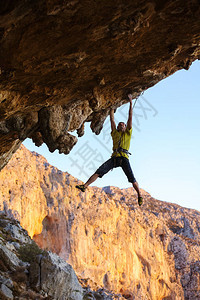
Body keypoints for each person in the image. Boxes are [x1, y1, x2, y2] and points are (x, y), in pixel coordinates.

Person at [76, 94, 143, 206]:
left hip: (124, 158)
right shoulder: (114, 133)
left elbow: (130, 116)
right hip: (115, 158)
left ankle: (140, 195)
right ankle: (85, 186)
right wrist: (111, 107)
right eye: (119, 125)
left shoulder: (128, 133)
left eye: (123, 125)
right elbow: (112, 119)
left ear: (125, 127)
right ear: (117, 127)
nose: (121, 125)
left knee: (131, 178)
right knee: (99, 171)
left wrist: (131, 103)